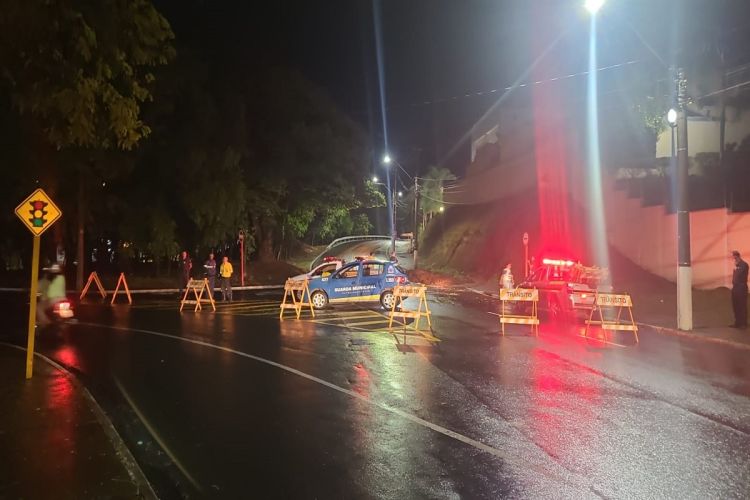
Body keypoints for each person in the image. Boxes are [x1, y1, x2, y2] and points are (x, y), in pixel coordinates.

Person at [731, 250, 748, 328]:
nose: (733, 259)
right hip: (735, 287)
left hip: (741, 287)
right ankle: (737, 322)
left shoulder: (744, 265)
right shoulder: (737, 265)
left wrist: (736, 267)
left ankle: (743, 323)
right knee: (736, 305)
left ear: (737, 256)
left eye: (734, 257)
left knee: (742, 305)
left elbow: (739, 275)